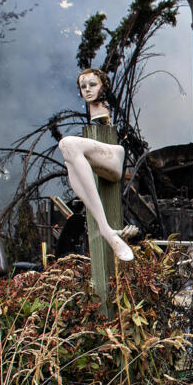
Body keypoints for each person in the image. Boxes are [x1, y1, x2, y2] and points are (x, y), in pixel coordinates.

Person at [58, 68, 133, 262]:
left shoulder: (110, 116)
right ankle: (107, 231)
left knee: (67, 144)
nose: (87, 90)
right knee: (70, 160)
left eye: (93, 85)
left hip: (114, 155)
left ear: (104, 86)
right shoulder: (91, 121)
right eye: (83, 86)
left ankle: (105, 228)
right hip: (100, 160)